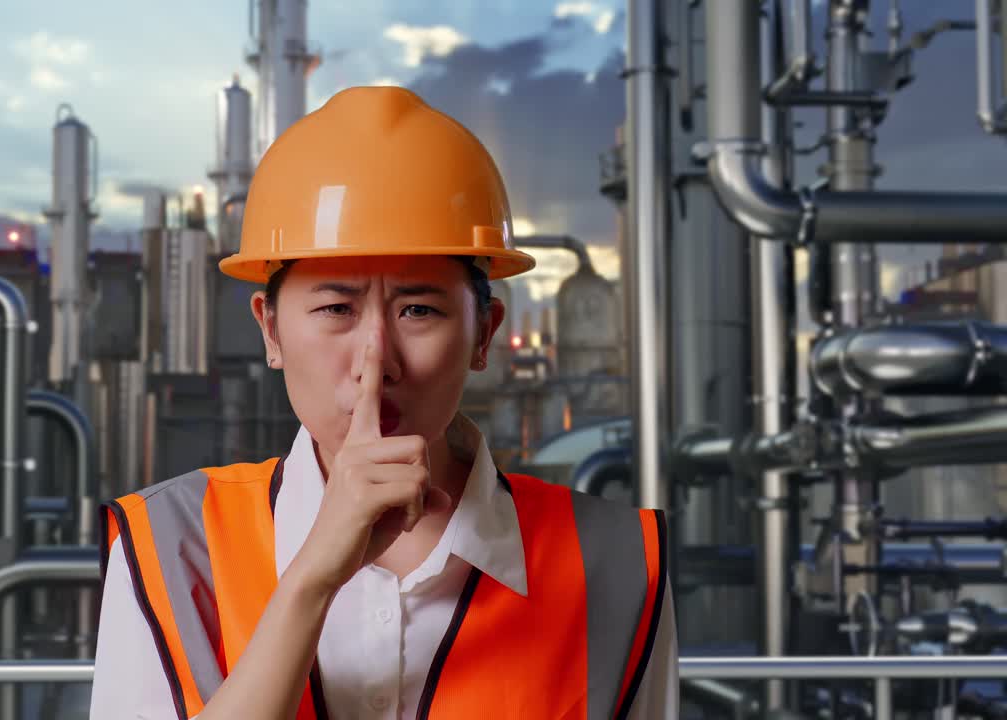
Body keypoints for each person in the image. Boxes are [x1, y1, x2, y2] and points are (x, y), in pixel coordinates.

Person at [90, 85, 678, 720]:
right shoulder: (172, 545)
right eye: (336, 309)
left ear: (483, 333)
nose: (377, 361)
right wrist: (313, 579)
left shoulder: (618, 559)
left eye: (418, 310)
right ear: (271, 330)